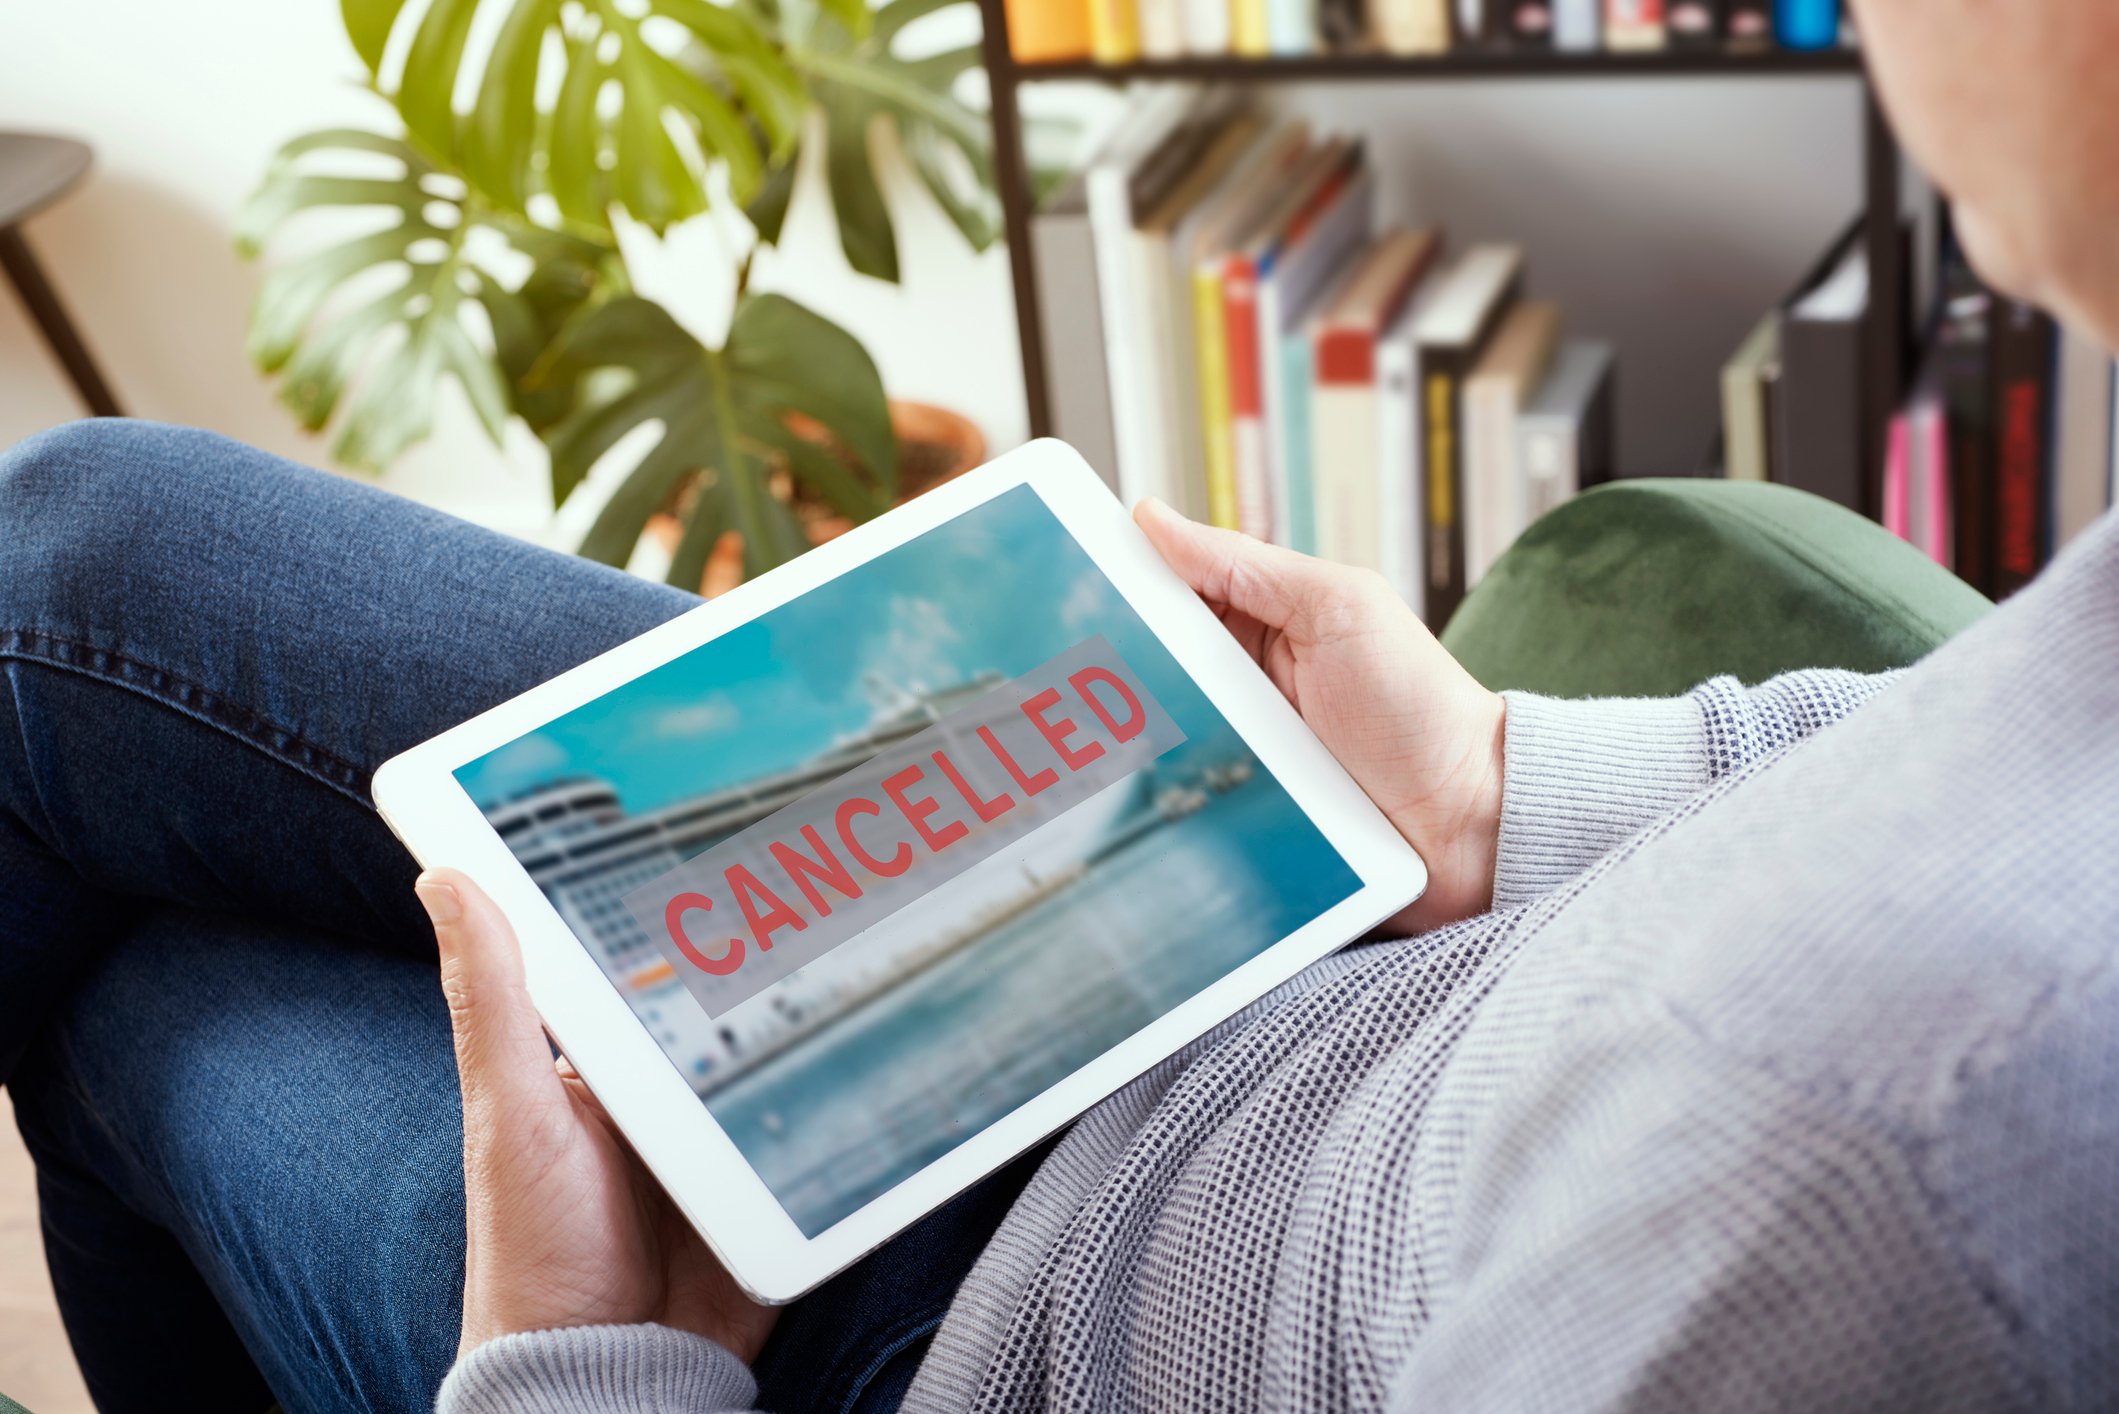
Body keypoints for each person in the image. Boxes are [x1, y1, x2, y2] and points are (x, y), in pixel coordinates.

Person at [2, 0, 2114, 1409]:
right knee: (74, 548)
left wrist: (586, 1371)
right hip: (1293, 961)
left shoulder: (1885, 1178)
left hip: (984, 1331)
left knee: (139, 1022)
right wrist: (1495, 788)